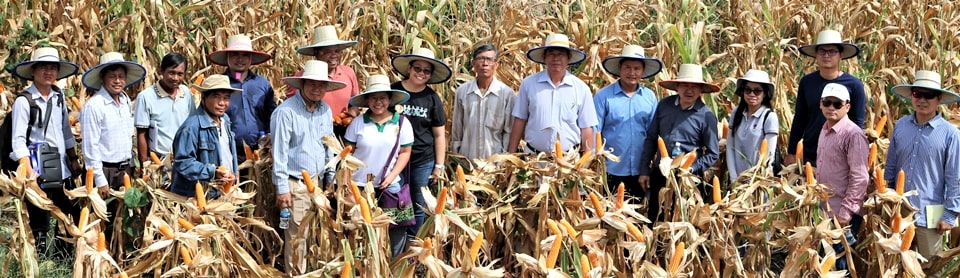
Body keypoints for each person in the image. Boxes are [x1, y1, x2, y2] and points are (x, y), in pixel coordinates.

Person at [271, 60, 344, 273]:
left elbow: (328, 145)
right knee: (297, 239)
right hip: (296, 186)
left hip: (319, 185)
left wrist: (330, 176)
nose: (316, 88)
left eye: (321, 84)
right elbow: (279, 154)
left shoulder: (325, 111)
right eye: (311, 83)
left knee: (315, 237)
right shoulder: (286, 113)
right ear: (302, 84)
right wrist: (282, 189)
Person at [9, 47, 82, 258]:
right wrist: (28, 171)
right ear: (33, 71)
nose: (48, 72)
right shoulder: (24, 102)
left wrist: (73, 159)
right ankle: (41, 260)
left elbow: (66, 131)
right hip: (37, 169)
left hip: (61, 168)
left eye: (53, 68)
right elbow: (18, 140)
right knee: (39, 219)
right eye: (43, 67)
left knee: (68, 214)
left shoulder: (58, 97)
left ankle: (64, 257)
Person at [884, 70, 960, 272]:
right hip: (900, 210)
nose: (922, 100)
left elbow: (955, 177)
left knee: (931, 269)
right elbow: (891, 166)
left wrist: (950, 215)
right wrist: (886, 197)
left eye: (929, 95)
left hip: (932, 214)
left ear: (939, 99)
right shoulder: (900, 126)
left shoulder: (950, 134)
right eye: (918, 94)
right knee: (898, 267)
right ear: (912, 96)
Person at [637, 63, 720, 222]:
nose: (689, 90)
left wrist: (692, 167)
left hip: (689, 179)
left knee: (684, 220)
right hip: (661, 173)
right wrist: (644, 169)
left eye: (694, 86)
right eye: (685, 85)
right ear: (677, 87)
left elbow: (712, 153)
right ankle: (658, 247)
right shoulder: (664, 106)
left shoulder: (706, 116)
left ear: (701, 90)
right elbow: (652, 138)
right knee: (657, 217)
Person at [344, 74, 413, 259]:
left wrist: (392, 176)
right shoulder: (357, 123)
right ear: (367, 100)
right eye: (373, 98)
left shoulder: (402, 122)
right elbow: (347, 155)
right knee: (360, 230)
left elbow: (405, 152)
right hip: (359, 186)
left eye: (383, 97)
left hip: (390, 186)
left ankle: (393, 264)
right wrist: (347, 185)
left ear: (390, 99)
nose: (378, 102)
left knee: (396, 228)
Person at [390, 47, 451, 237]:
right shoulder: (394, 91)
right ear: (409, 69)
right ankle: (396, 250)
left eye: (426, 71)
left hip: (422, 160)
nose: (421, 73)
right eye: (418, 68)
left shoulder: (432, 98)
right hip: (394, 159)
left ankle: (413, 253)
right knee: (396, 204)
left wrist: (439, 166)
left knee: (418, 206)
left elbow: (439, 135)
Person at [507, 33, 598, 154]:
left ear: (568, 58)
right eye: (551, 54)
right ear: (544, 57)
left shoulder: (581, 88)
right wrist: (511, 155)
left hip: (569, 160)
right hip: (534, 160)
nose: (556, 58)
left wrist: (586, 161)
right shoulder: (529, 84)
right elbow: (520, 119)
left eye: (561, 54)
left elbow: (586, 127)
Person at [786, 29, 866, 166]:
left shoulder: (854, 85)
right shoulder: (807, 82)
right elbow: (800, 118)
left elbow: (857, 123)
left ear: (840, 54)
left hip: (840, 155)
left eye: (832, 51)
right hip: (809, 153)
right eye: (822, 51)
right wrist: (791, 151)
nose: (826, 55)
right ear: (816, 55)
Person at [594, 44, 662, 195]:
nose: (632, 73)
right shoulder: (603, 97)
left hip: (640, 170)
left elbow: (653, 134)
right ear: (620, 68)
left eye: (637, 68)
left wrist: (650, 166)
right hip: (610, 170)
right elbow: (594, 133)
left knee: (636, 215)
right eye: (627, 67)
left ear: (643, 71)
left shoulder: (649, 97)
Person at [815, 83, 868, 271]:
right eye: (827, 102)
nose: (831, 107)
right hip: (824, 212)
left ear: (847, 107)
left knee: (841, 266)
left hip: (843, 215)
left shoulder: (853, 135)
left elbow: (860, 178)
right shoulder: (824, 130)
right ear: (820, 104)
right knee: (825, 266)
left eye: (837, 104)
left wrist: (846, 212)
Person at [80, 52, 144, 194]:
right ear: (102, 78)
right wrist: (100, 180)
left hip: (125, 169)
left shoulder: (125, 101)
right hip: (105, 170)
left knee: (123, 215)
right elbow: (90, 147)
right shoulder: (94, 106)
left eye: (121, 76)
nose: (117, 81)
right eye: (112, 76)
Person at [207, 34, 276, 161]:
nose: (240, 59)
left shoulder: (262, 84)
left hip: (260, 154)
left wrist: (269, 134)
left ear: (250, 58)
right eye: (235, 54)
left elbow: (271, 114)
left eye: (244, 55)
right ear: (228, 57)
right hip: (227, 154)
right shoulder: (218, 85)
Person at [170, 75, 241, 198]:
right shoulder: (191, 128)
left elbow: (228, 152)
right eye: (216, 97)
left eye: (226, 98)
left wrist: (235, 172)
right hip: (199, 197)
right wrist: (213, 172)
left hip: (224, 192)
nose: (222, 103)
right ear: (203, 97)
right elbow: (183, 163)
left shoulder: (225, 120)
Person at [292, 25, 360, 137]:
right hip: (313, 132)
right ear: (317, 53)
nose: (334, 55)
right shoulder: (302, 78)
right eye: (328, 52)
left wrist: (351, 115)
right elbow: (294, 108)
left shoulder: (349, 73)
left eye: (337, 51)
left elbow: (355, 102)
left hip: (345, 130)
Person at [450, 44, 516, 160]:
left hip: (494, 164)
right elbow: (457, 128)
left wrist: (504, 160)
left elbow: (508, 131)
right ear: (473, 63)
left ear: (496, 65)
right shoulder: (462, 92)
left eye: (490, 60)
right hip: (467, 160)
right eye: (481, 58)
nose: (485, 63)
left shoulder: (506, 94)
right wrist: (457, 156)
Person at [134, 53, 195, 165]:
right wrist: (145, 164)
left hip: (185, 158)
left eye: (180, 74)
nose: (175, 78)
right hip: (159, 160)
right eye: (171, 73)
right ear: (161, 71)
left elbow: (192, 125)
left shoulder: (186, 93)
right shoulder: (146, 97)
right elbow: (142, 133)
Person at [726, 69, 778, 182]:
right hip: (737, 180)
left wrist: (757, 181)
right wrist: (734, 178)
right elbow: (730, 147)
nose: (752, 94)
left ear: (765, 94)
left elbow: (769, 156)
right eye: (748, 90)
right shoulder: (736, 113)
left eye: (757, 91)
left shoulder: (769, 117)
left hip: (758, 181)